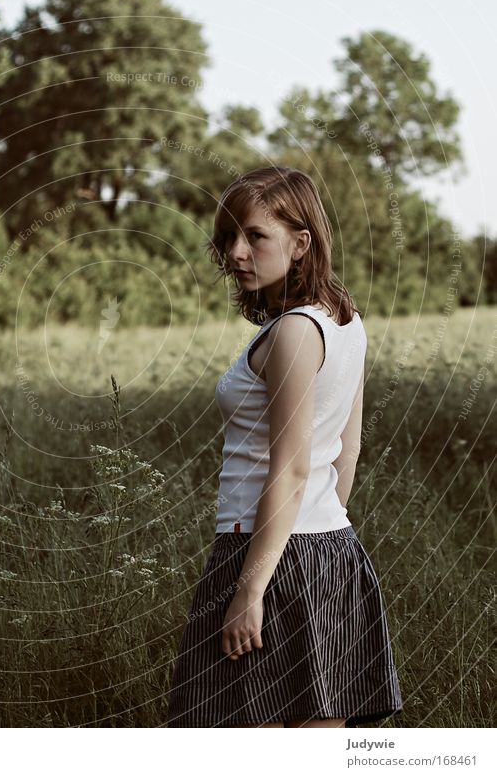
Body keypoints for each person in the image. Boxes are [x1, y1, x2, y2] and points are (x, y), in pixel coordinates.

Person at [166, 166, 403, 728]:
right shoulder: (344, 320)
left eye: (255, 236)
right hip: (328, 551)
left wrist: (251, 589)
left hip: (266, 553)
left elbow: (293, 470)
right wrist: (324, 528)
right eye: (228, 236)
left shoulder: (296, 331)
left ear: (301, 244)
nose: (236, 251)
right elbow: (346, 450)